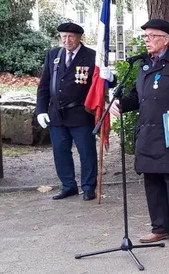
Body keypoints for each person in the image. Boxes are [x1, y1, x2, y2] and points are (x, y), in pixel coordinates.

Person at [109, 19, 169, 250]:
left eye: (150, 36)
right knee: (152, 182)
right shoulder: (144, 65)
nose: (146, 41)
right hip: (147, 134)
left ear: (165, 39)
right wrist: (119, 102)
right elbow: (136, 96)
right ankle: (160, 228)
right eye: (145, 37)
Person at [36, 22, 115, 201]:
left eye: (71, 36)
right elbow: (44, 85)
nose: (67, 40)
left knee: (86, 152)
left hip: (80, 112)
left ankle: (88, 187)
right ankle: (68, 186)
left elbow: (102, 82)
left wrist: (111, 78)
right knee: (60, 151)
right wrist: (41, 110)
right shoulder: (53, 55)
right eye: (63, 36)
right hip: (57, 113)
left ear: (79, 38)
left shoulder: (91, 56)